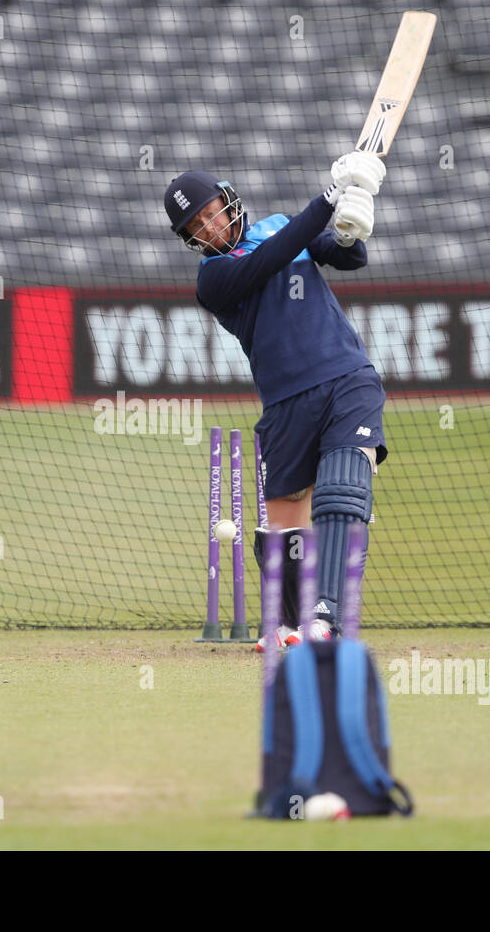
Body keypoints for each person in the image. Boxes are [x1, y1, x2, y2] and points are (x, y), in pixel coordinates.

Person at [164, 153, 388, 650]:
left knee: (341, 492)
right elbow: (273, 257)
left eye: (211, 211)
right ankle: (289, 623)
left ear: (228, 201)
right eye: (196, 225)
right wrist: (329, 197)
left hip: (347, 376)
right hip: (286, 403)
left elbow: (347, 257)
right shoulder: (214, 279)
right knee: (285, 518)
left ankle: (327, 617)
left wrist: (351, 229)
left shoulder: (282, 225)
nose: (209, 226)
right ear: (191, 240)